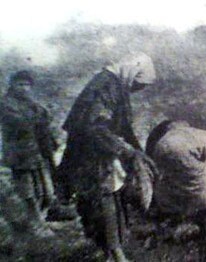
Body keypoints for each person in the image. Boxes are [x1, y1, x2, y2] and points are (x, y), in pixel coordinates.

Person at [57, 53, 157, 262]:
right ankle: (114, 253)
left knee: (113, 196)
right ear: (133, 71)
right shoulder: (105, 85)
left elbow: (123, 125)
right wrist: (125, 150)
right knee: (104, 199)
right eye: (138, 84)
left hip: (103, 150)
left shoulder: (114, 83)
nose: (135, 89)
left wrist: (139, 152)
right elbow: (94, 127)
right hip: (92, 154)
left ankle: (113, 249)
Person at [0, 70, 69, 236]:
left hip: (36, 153)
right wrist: (39, 119)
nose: (24, 88)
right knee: (28, 192)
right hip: (20, 154)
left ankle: (43, 220)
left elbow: (45, 117)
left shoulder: (30, 103)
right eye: (20, 84)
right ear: (12, 85)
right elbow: (21, 123)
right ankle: (36, 225)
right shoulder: (5, 103)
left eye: (27, 85)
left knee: (45, 190)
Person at [149, 121, 206, 239]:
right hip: (180, 149)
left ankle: (172, 225)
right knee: (203, 188)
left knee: (175, 186)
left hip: (161, 145)